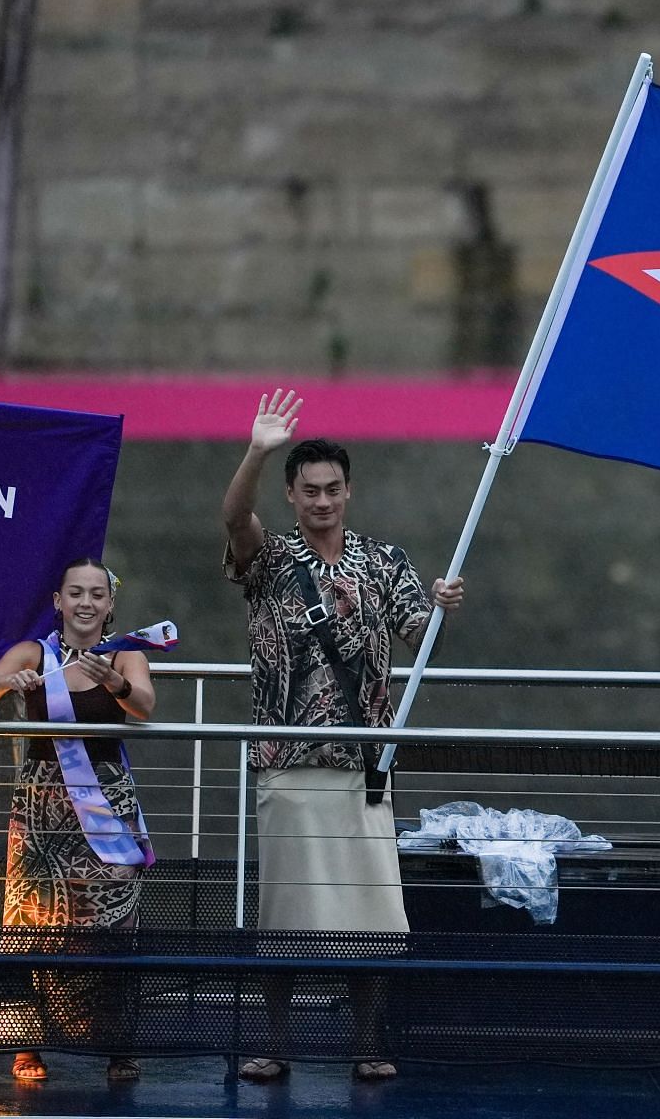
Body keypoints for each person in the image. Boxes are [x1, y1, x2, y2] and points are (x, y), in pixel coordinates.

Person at [222, 388, 464, 1085]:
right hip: (288, 761)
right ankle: (276, 1044)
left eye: (333, 489)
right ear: (293, 497)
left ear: (348, 492)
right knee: (285, 917)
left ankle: (365, 1044)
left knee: (374, 915)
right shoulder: (270, 561)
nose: (323, 501)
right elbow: (235, 516)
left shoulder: (385, 562)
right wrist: (258, 451)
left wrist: (443, 610)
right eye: (310, 491)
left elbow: (421, 643)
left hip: (365, 767)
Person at [0, 558, 158, 1085]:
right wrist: (12, 678)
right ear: (58, 600)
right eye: (75, 593)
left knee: (116, 923)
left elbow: (145, 705)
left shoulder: (125, 653)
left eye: (96, 594)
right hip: (41, 808)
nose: (85, 603)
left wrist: (118, 684)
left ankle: (119, 1044)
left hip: (106, 806)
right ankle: (24, 1044)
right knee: (30, 922)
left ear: (110, 603)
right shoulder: (37, 651)